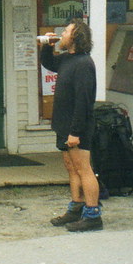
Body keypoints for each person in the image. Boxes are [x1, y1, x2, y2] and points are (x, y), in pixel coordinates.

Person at [39, 18, 102, 232]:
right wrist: (47, 46)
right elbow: (49, 64)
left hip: (77, 127)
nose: (62, 34)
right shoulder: (67, 59)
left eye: (65, 32)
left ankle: (93, 215)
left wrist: (76, 132)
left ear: (75, 37)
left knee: (84, 169)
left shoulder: (84, 64)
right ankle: (76, 207)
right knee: (71, 167)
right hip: (63, 124)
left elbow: (83, 101)